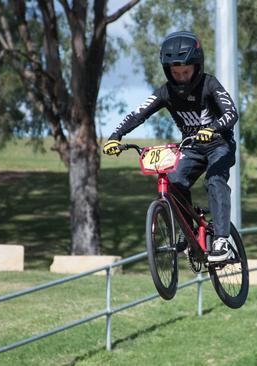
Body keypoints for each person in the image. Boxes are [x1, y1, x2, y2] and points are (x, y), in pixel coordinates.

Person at [102, 31, 238, 262]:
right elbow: (138, 114)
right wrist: (116, 136)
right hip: (191, 147)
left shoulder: (209, 83)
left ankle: (222, 240)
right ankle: (188, 231)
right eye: (176, 73)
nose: (182, 77)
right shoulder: (165, 92)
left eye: (186, 71)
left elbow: (232, 113)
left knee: (214, 180)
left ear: (197, 66)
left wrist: (213, 128)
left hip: (220, 145)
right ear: (168, 71)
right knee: (173, 182)